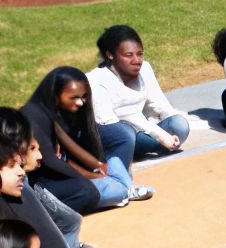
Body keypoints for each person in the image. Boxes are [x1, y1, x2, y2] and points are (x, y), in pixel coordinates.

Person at [0, 107, 115, 248]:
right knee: (90, 199)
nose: (38, 155)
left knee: (75, 212)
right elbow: (46, 237)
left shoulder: (14, 179)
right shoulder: (2, 190)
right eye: (29, 147)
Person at [24, 66, 152, 211]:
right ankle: (124, 190)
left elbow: (70, 152)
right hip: (48, 181)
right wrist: (91, 176)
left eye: (84, 96)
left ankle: (123, 189)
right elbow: (53, 163)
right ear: (56, 95)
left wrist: (96, 167)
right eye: (74, 98)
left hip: (73, 170)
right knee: (99, 191)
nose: (80, 102)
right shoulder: (34, 118)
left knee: (123, 137)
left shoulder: (68, 114)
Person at [89, 25, 190, 158]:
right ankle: (128, 153)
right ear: (110, 55)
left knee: (179, 125)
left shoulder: (145, 68)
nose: (137, 61)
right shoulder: (96, 80)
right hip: (116, 134)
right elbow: (111, 124)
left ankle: (141, 150)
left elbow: (159, 103)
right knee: (126, 134)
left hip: (142, 131)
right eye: (128, 55)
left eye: (140, 54)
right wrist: (160, 135)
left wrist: (169, 132)